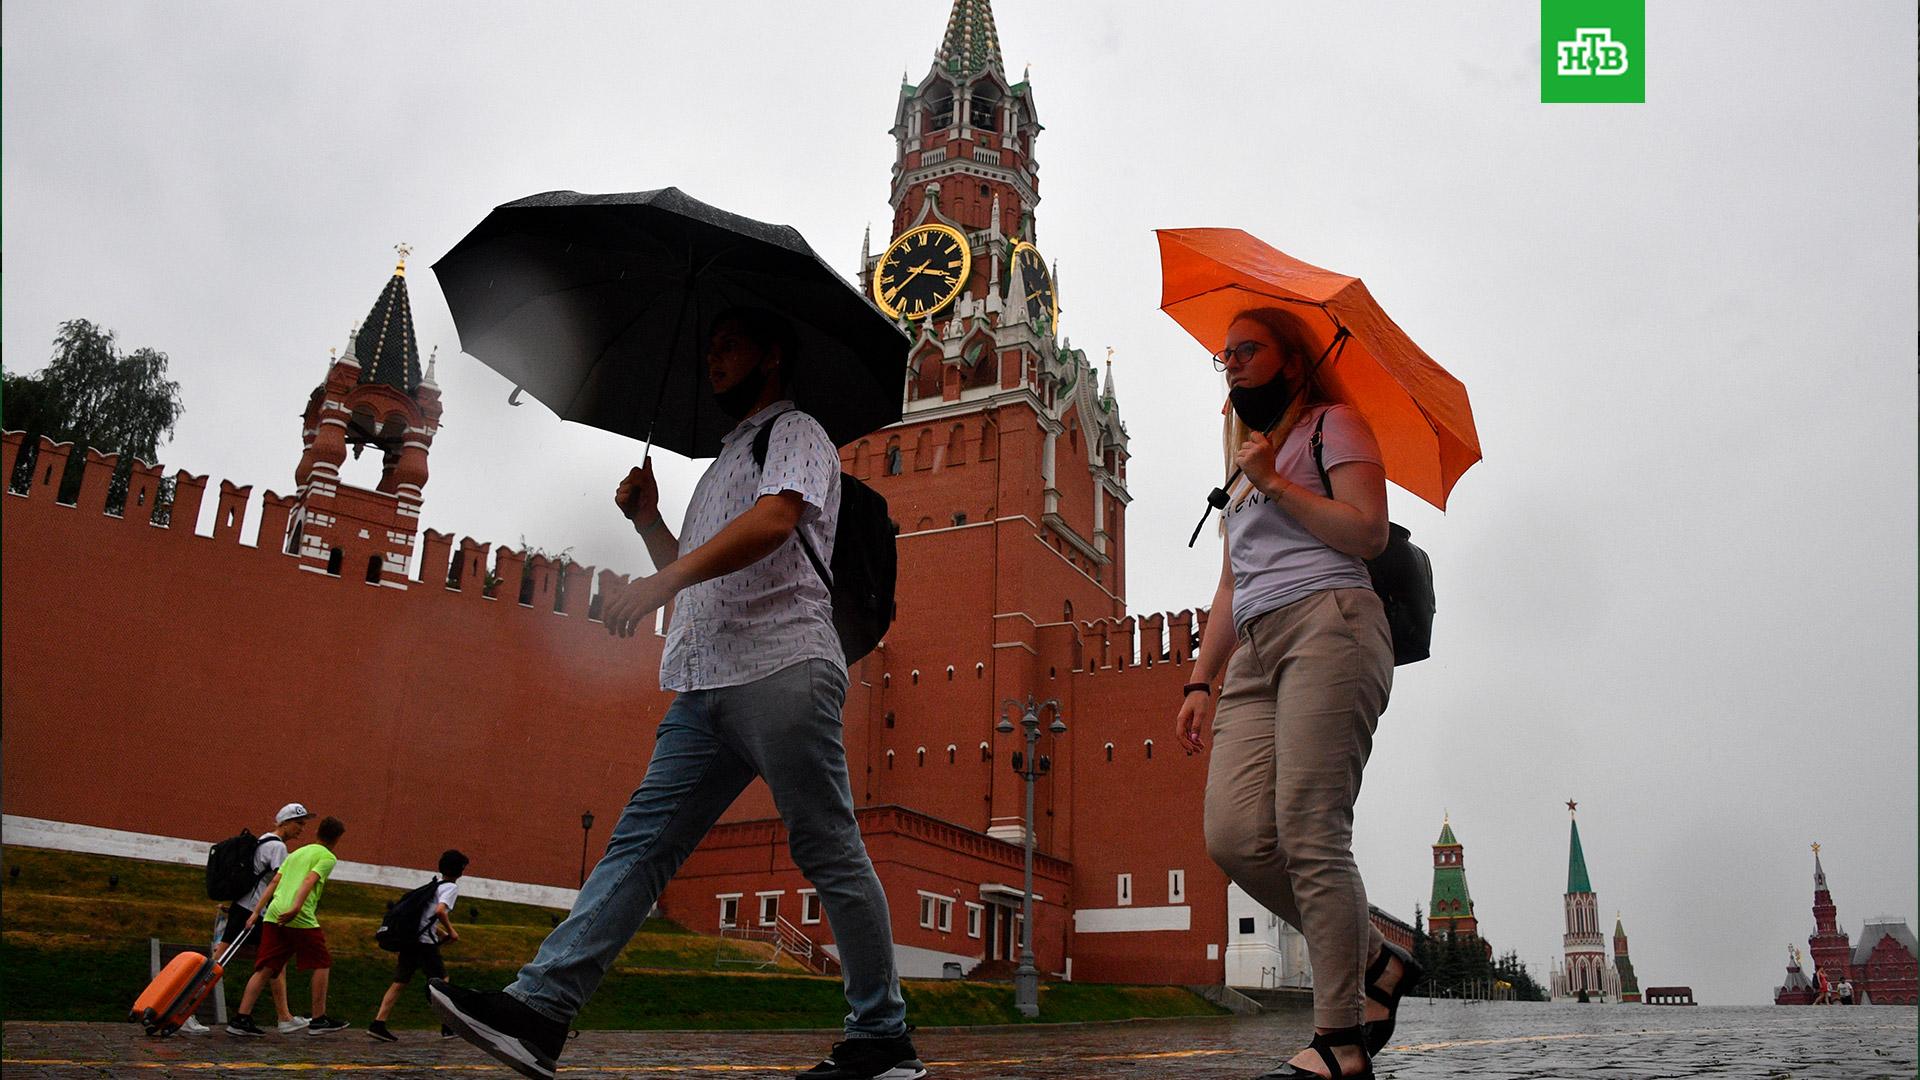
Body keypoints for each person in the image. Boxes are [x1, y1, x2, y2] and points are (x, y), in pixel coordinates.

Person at [429, 308, 920, 1080]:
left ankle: (882, 1037)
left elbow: (775, 522)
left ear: (773, 353)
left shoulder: (796, 435)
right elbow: (703, 572)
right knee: (641, 845)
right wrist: (649, 521)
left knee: (827, 848)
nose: (713, 355)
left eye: (729, 341)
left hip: (782, 669)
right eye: (710, 345)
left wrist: (662, 577)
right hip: (704, 684)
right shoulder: (724, 461)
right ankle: (539, 1013)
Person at [1175, 307, 1410, 1080]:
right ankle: (1376, 957)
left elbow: (1368, 531)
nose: (1233, 365)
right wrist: (1201, 679)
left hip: (1330, 625)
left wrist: (1278, 482)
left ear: (1291, 358)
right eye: (1226, 356)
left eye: (1248, 351)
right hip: (1253, 653)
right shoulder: (1244, 467)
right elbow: (1231, 582)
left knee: (1310, 832)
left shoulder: (1332, 427)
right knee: (1236, 837)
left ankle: (1340, 1041)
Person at [227, 816, 349, 1036]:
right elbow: (309, 881)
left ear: (317, 833)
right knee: (322, 962)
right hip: (298, 914)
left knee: (266, 967)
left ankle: (240, 1019)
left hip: (273, 912)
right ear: (338, 838)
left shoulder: (296, 853)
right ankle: (319, 1018)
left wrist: (256, 912)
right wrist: (295, 908)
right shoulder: (327, 857)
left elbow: (274, 881)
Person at [213, 802, 313, 1034]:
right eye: (299, 823)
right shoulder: (277, 848)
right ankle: (185, 1005)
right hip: (252, 912)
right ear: (285, 823)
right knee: (219, 960)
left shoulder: (264, 840)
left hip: (246, 908)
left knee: (274, 961)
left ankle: (284, 1016)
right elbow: (281, 882)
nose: (302, 829)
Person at [368, 849, 469, 1042]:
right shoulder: (450, 888)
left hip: (411, 941)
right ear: (461, 870)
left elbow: (426, 918)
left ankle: (378, 1023)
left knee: (399, 982)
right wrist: (452, 932)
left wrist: (442, 933)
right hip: (424, 944)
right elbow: (440, 912)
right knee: (442, 980)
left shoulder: (434, 886)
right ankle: (447, 1026)